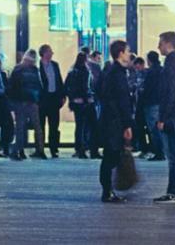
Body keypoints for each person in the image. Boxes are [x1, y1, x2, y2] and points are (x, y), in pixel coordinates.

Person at [154, 31, 175, 203]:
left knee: (172, 154)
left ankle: (174, 190)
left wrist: (162, 117)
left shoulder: (170, 63)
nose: (158, 46)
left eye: (160, 43)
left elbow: (170, 92)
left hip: (171, 114)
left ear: (168, 44)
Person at [98, 40, 134, 203]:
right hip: (115, 121)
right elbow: (122, 100)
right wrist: (127, 124)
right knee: (111, 155)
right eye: (127, 51)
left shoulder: (110, 71)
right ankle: (107, 191)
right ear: (120, 53)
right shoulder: (118, 74)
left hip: (110, 119)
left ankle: (108, 189)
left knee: (110, 154)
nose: (129, 54)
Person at [8, 51, 44, 160]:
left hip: (24, 102)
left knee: (21, 127)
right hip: (28, 101)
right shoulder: (32, 70)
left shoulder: (18, 69)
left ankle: (18, 151)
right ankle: (37, 150)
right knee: (34, 127)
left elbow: (12, 87)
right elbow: (38, 85)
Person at [65, 52, 94, 158]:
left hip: (76, 102)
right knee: (86, 126)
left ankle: (78, 148)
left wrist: (72, 99)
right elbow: (85, 87)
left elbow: (67, 86)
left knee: (79, 126)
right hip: (84, 102)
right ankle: (83, 148)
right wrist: (88, 98)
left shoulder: (72, 71)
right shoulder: (85, 71)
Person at [37, 45, 64, 158]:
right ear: (44, 53)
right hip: (43, 100)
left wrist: (62, 95)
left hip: (54, 99)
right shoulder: (37, 67)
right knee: (40, 126)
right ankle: (40, 149)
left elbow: (59, 80)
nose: (52, 53)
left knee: (54, 125)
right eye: (50, 51)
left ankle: (54, 149)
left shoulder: (55, 65)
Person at [140, 51, 165, 161]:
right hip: (160, 102)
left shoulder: (151, 72)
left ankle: (158, 152)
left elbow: (147, 88)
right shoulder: (162, 70)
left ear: (149, 60)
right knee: (159, 128)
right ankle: (161, 151)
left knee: (154, 128)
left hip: (151, 102)